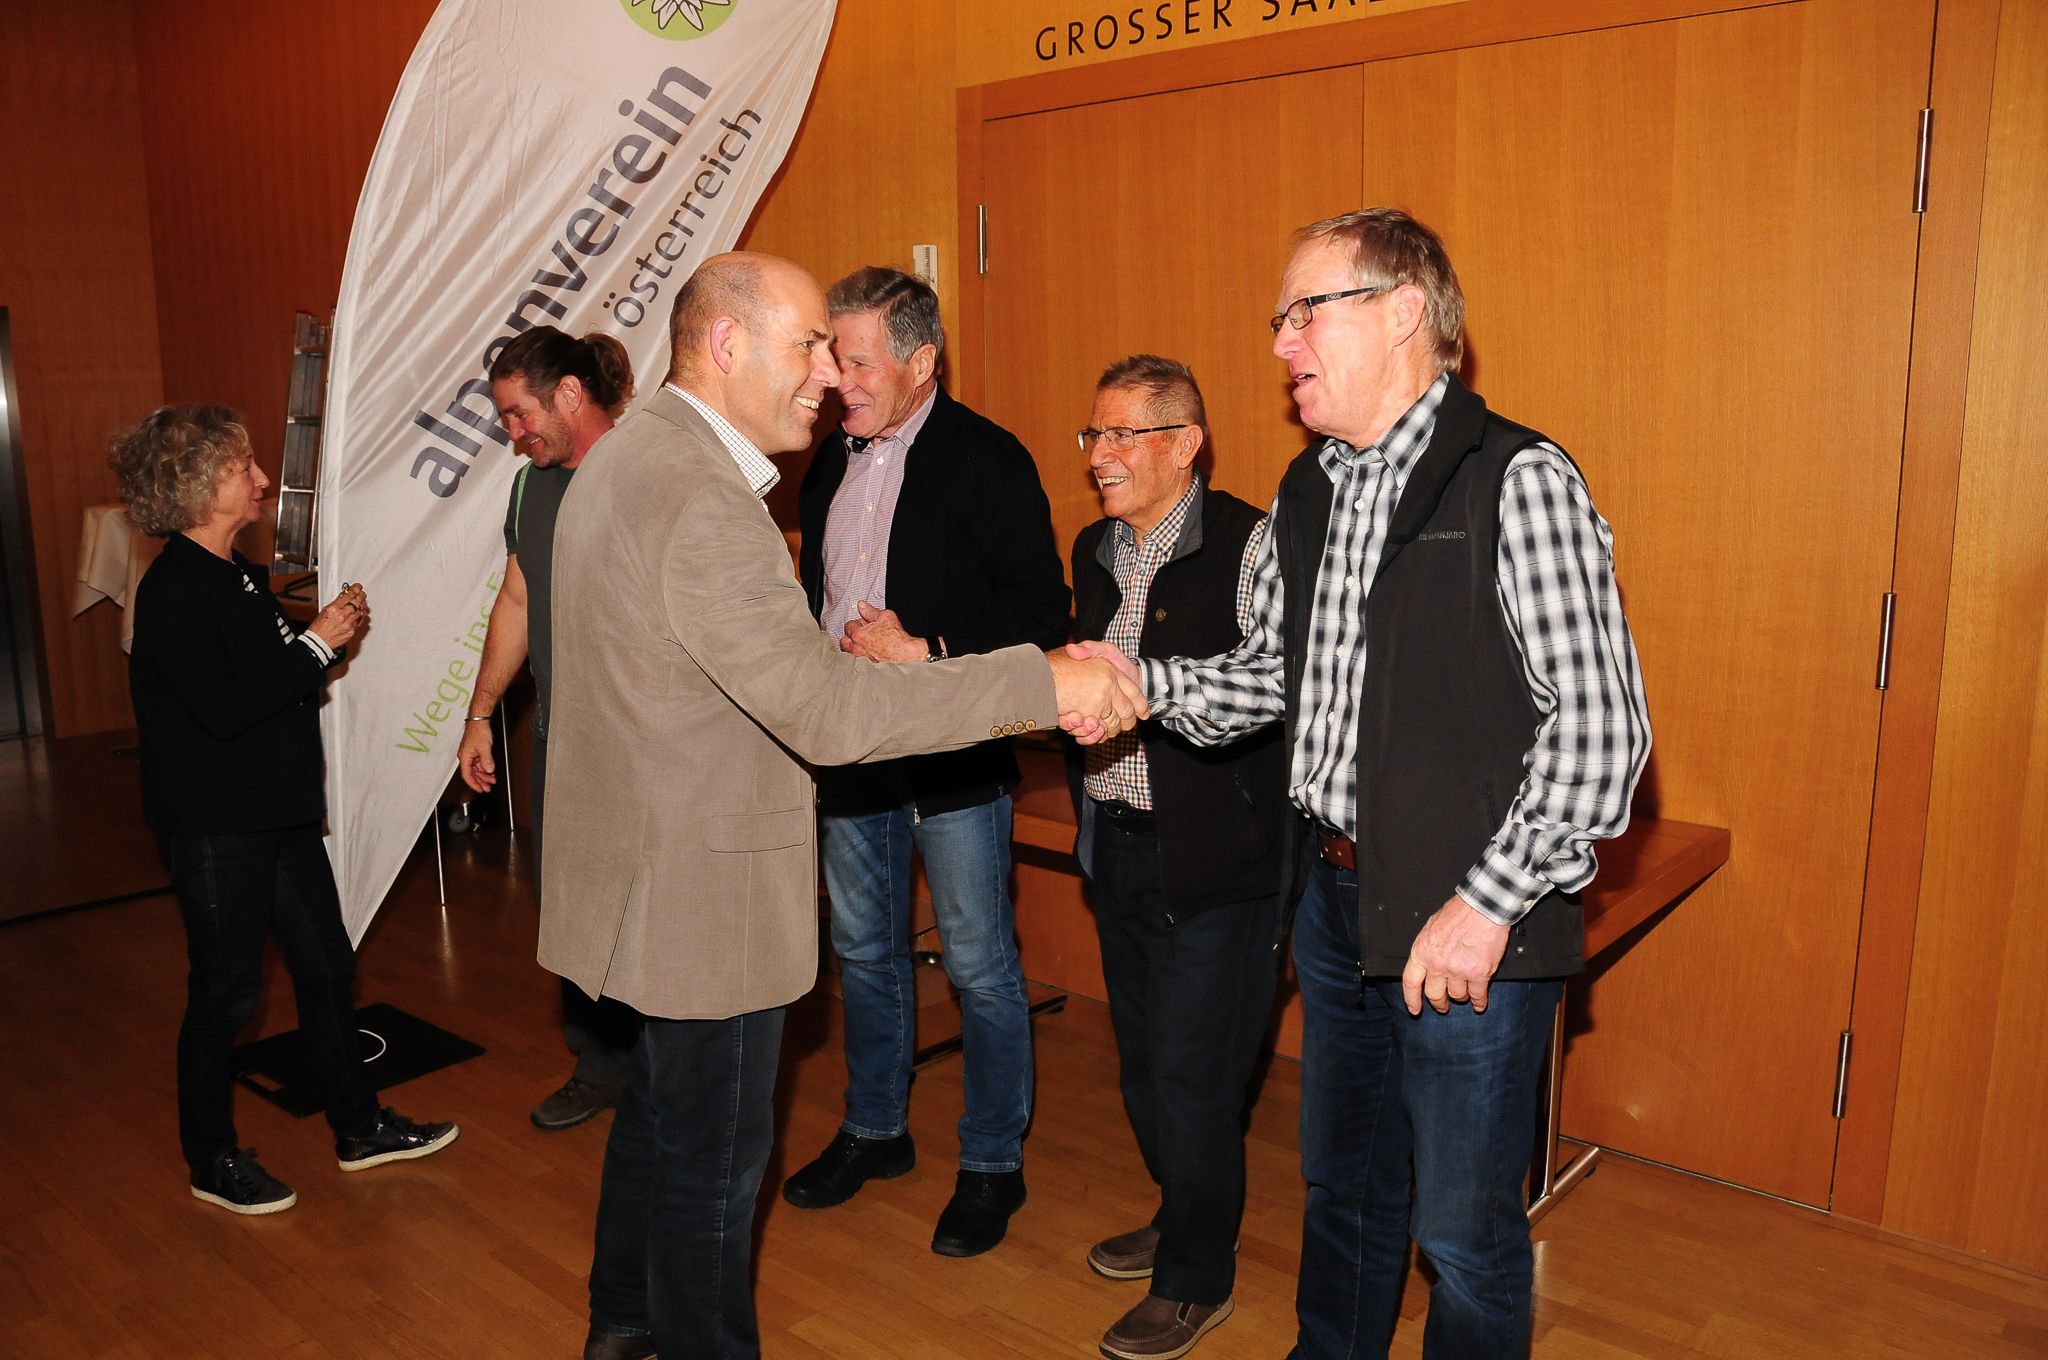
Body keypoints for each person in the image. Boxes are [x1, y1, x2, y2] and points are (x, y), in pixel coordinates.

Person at [535, 251, 1145, 1360]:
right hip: (702, 892)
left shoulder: (628, 457)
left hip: (645, 875)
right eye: (807, 344)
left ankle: (620, 1327)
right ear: (728, 346)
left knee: (660, 1120)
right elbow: (821, 706)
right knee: (712, 1173)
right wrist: (1042, 681)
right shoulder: (703, 498)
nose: (826, 372)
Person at [1069, 209, 1652, 1358]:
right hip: (1334, 902)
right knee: (1343, 1185)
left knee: (1462, 1231)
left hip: (1471, 921)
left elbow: (1597, 734)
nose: (1279, 341)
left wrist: (1484, 903)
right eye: (1277, 317)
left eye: (1305, 311)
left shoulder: (1514, 479)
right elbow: (1270, 677)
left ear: (1401, 314)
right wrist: (1137, 682)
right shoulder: (1311, 489)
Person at [784, 266, 1071, 1257]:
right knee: (864, 951)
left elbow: (1043, 615)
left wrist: (927, 650)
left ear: (920, 362)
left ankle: (992, 1161)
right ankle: (876, 1130)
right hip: (849, 750)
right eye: (832, 357)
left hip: (953, 756)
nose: (837, 379)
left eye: (858, 361)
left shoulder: (988, 459)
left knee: (980, 965)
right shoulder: (827, 458)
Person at [114, 404, 458, 1217]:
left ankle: (358, 1128)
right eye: (244, 468)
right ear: (198, 484)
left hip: (277, 816)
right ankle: (212, 1160)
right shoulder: (174, 590)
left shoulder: (233, 574)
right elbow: (227, 706)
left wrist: (321, 641)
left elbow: (268, 678)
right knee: (227, 996)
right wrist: (316, 644)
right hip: (217, 829)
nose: (262, 480)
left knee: (327, 968)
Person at [1069, 355, 1289, 1360]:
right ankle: (1181, 1213)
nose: (1099, 456)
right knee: (1147, 1066)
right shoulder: (1094, 548)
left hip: (1220, 863)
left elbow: (1273, 687)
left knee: (1199, 1076)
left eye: (1123, 434)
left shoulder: (1252, 543)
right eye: (1094, 434)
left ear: (1185, 444)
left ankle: (1196, 1277)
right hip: (1116, 844)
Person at [456, 325, 643, 1131]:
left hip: (642, 747)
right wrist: (480, 714)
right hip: (562, 742)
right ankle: (600, 1067)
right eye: (504, 418)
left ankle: (665, 1073)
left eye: (519, 414)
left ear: (569, 393)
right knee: (571, 913)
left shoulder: (644, 474)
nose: (513, 433)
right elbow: (517, 599)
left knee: (646, 917)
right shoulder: (529, 489)